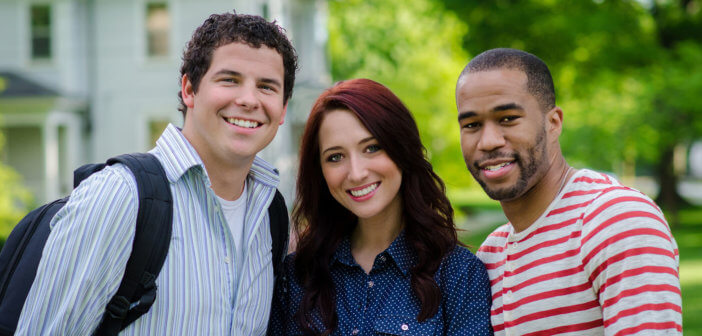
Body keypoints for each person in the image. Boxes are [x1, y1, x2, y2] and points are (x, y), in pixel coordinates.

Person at [16, 12, 297, 335]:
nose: (249, 100)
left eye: (267, 87)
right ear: (189, 89)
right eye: (229, 80)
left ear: (283, 109)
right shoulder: (121, 196)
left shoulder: (270, 215)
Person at [455, 48, 682, 335]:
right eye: (472, 125)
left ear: (553, 124)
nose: (488, 141)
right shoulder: (491, 255)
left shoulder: (616, 220)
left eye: (508, 118)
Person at [269, 78, 493, 335]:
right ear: (320, 172)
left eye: (372, 148)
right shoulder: (297, 276)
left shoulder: (458, 274)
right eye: (335, 157)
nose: (356, 173)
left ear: (402, 149)